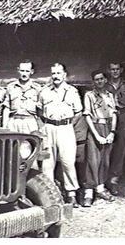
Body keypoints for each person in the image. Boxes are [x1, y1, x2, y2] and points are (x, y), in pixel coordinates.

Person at [37, 63, 83, 208]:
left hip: (65, 128)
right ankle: (49, 198)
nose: (55, 76)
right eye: (53, 73)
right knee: (47, 164)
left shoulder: (72, 91)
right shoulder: (44, 92)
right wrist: (44, 127)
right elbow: (38, 111)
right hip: (49, 127)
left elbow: (78, 113)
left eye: (58, 73)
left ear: (64, 75)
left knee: (68, 162)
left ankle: (71, 195)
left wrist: (67, 124)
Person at [82, 70, 117, 207]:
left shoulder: (110, 95)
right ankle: (88, 192)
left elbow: (114, 114)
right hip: (95, 127)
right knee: (93, 160)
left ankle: (100, 188)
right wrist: (96, 135)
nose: (99, 81)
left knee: (105, 160)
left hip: (108, 128)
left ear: (105, 80)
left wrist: (112, 132)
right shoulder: (89, 95)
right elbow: (87, 116)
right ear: (93, 82)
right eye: (96, 79)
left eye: (101, 79)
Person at [105, 62, 125, 195]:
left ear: (121, 70)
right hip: (107, 118)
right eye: (112, 69)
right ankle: (103, 177)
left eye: (117, 69)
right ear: (109, 71)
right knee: (106, 147)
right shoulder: (104, 85)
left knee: (121, 148)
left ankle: (114, 179)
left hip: (122, 117)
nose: (115, 72)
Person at [2, 60, 41, 134]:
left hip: (30, 122)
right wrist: (4, 126)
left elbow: (40, 110)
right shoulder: (11, 87)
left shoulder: (37, 88)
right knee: (12, 144)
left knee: (29, 144)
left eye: (27, 71)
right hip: (14, 121)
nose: (24, 74)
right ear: (18, 70)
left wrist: (40, 127)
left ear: (31, 71)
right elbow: (6, 108)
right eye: (22, 71)